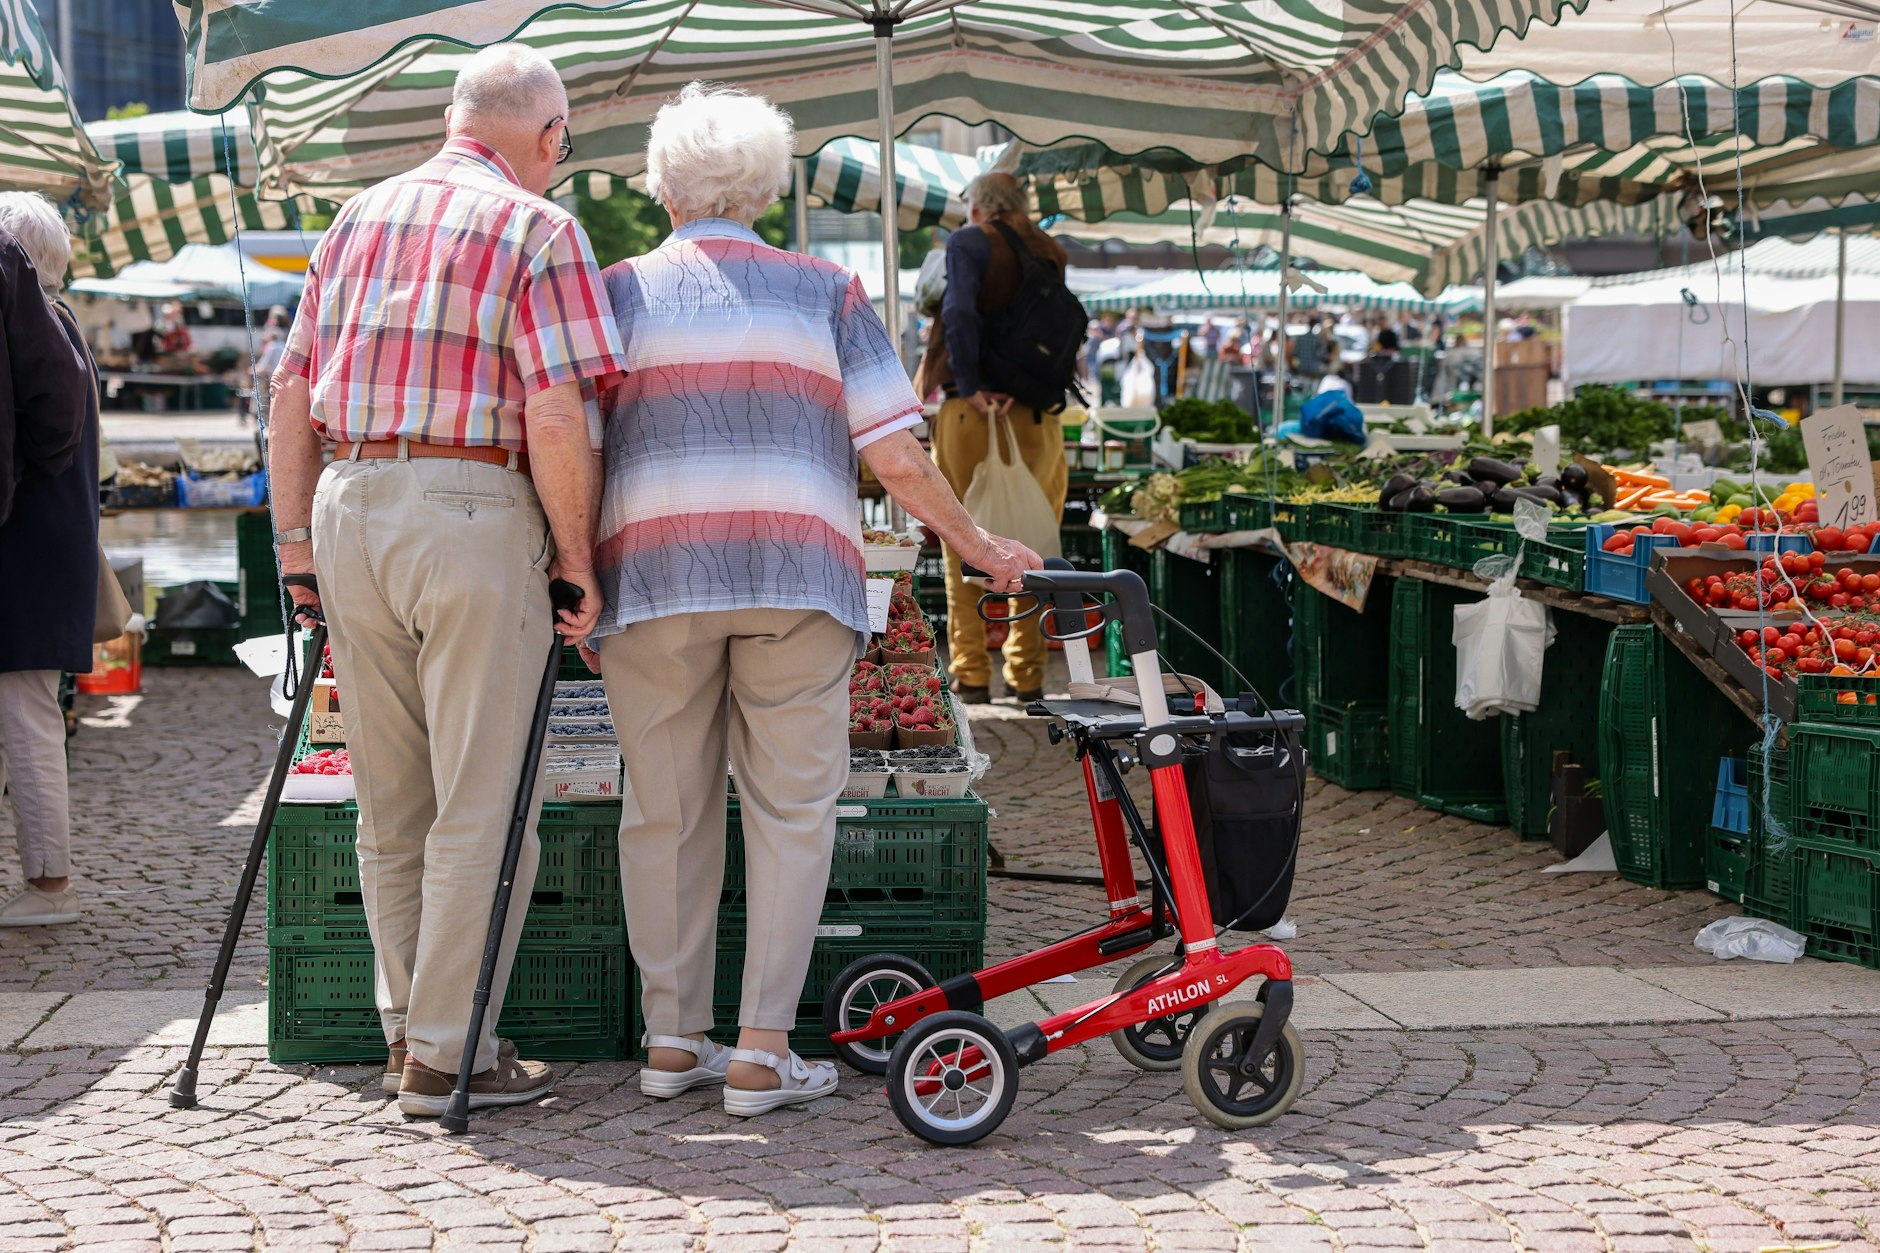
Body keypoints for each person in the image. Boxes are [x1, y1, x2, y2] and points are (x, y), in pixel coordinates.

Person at [592, 83, 1041, 1117]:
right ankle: (757, 1053)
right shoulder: (825, 292)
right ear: (765, 186)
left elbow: (576, 443)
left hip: (652, 577)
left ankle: (670, 1039)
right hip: (798, 576)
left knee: (661, 811)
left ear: (660, 185)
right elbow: (896, 453)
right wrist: (973, 544)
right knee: (793, 812)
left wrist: (576, 570)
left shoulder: (614, 293)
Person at [267, 42, 629, 1118]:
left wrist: (293, 547)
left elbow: (291, 393)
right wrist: (576, 559)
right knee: (482, 802)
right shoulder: (539, 225)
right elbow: (556, 411)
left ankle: (408, 1032)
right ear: (548, 135)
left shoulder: (356, 217)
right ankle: (445, 1051)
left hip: (348, 502)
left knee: (392, 797)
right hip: (470, 507)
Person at [913, 171, 1070, 705]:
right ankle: (1026, 678)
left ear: (977, 207)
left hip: (969, 414)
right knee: (1034, 548)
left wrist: (975, 385)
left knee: (961, 542)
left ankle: (971, 673)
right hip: (1035, 417)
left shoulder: (967, 241)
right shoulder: (1049, 249)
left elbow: (957, 313)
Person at [0, 194, 100, 927]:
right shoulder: (57, 324)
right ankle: (45, 881)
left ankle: (49, 885)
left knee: (26, 711)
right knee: (27, 709)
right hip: (43, 546)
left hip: (28, 550)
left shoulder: (43, 329)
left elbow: (51, 434)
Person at [247, 305, 290, 428]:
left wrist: (254, 369)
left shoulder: (273, 345)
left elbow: (264, 364)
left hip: (271, 376)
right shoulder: (285, 341)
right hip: (283, 375)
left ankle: (259, 416)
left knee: (258, 389)